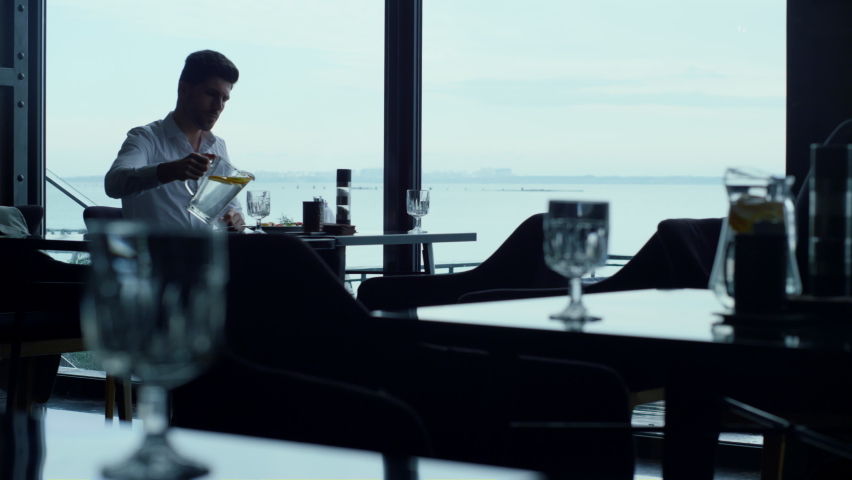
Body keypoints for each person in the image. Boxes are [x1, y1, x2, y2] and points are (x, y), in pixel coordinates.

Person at [105, 50, 246, 231]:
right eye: (211, 94)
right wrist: (169, 171)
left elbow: (231, 206)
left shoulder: (218, 146)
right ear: (184, 90)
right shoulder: (145, 138)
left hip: (207, 256)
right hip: (154, 257)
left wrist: (236, 218)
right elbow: (114, 184)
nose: (218, 107)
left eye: (224, 99)